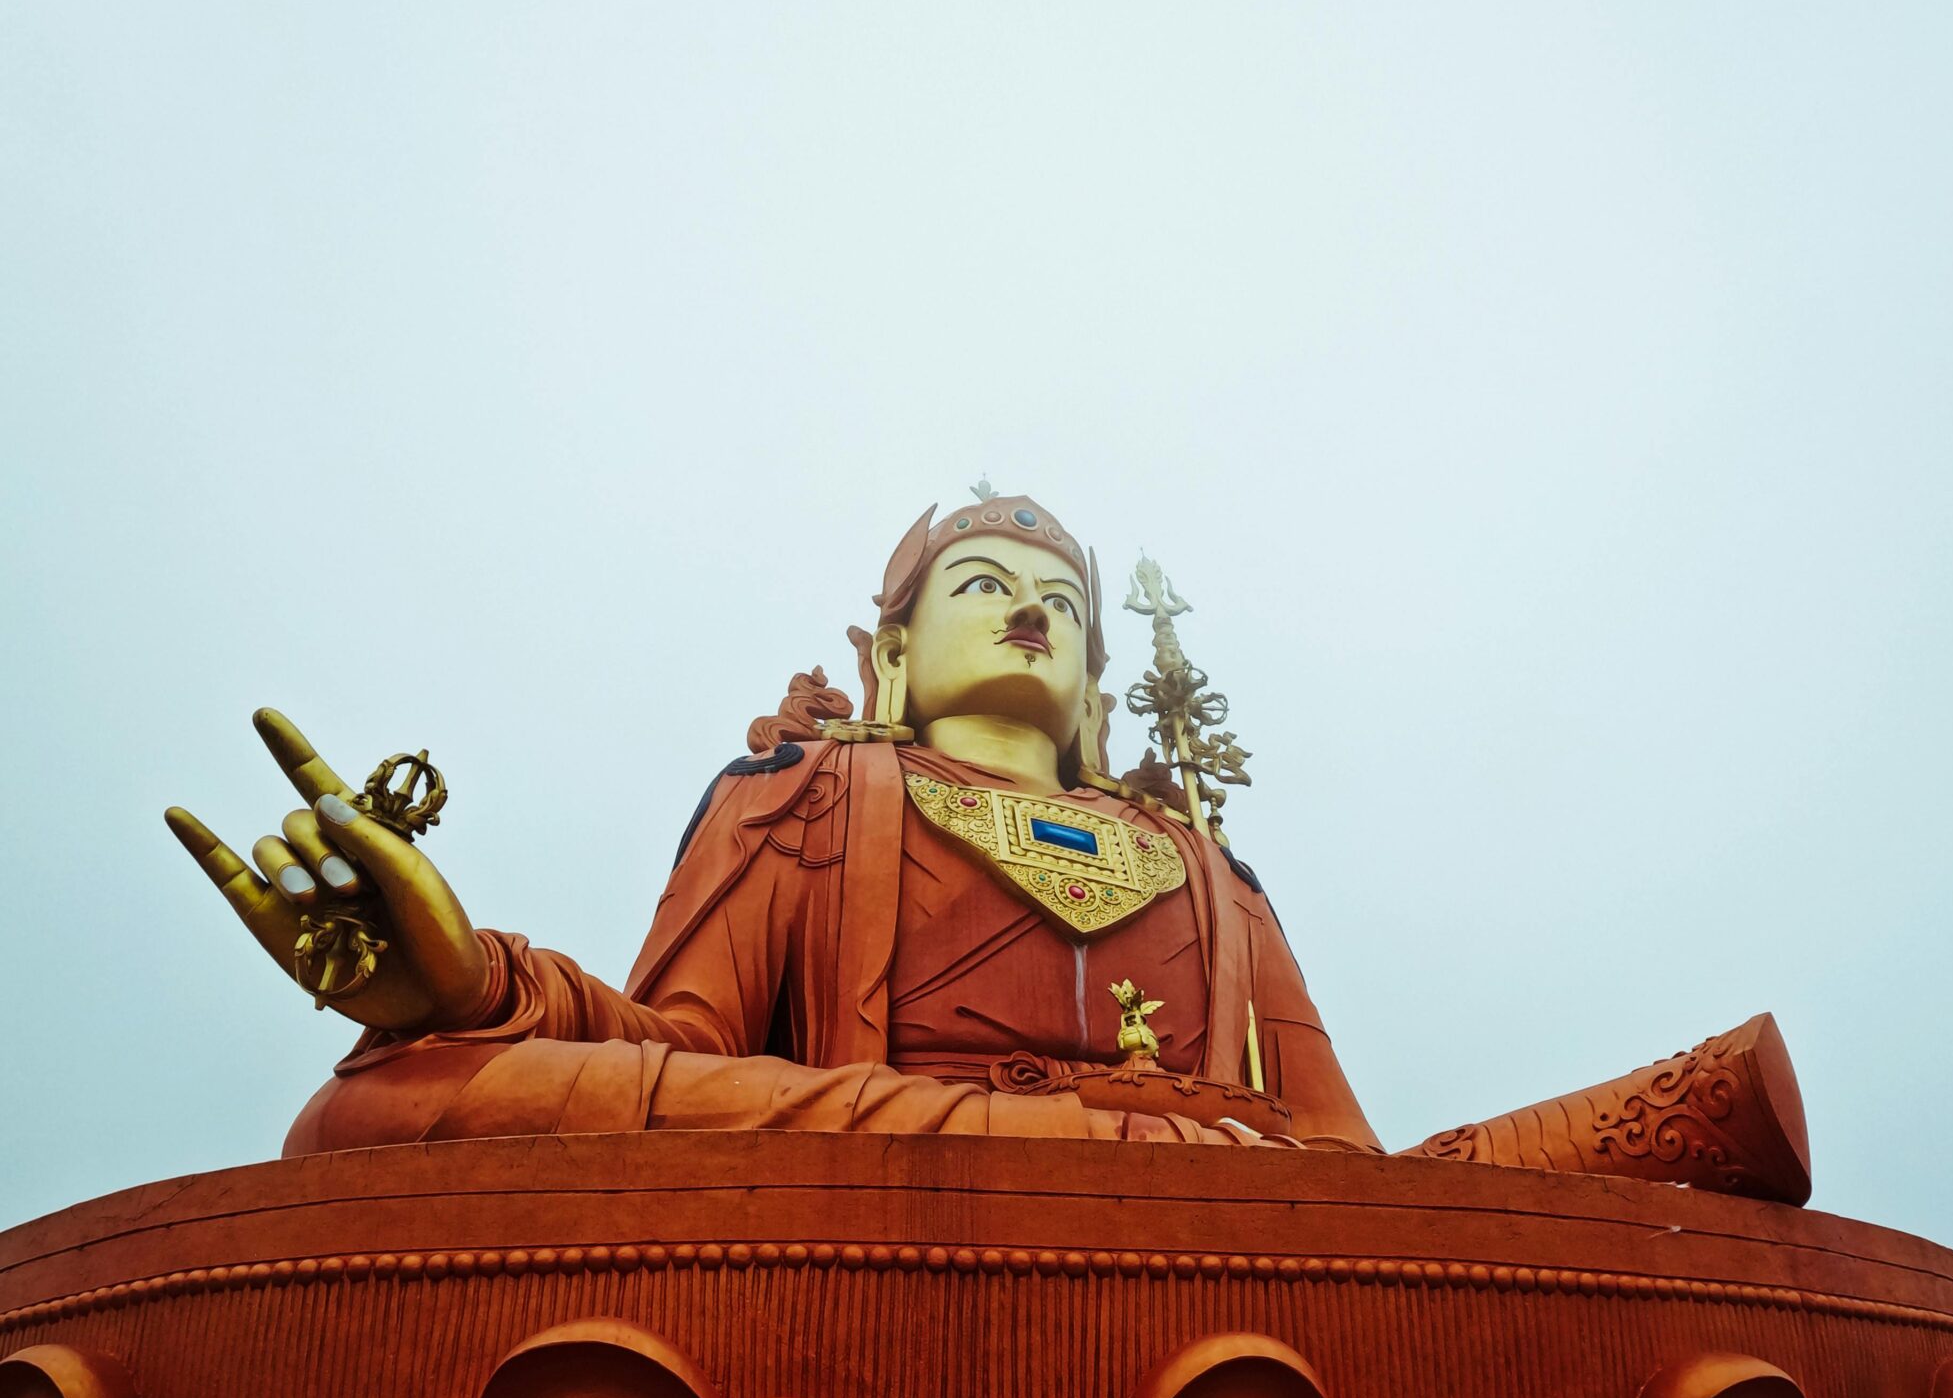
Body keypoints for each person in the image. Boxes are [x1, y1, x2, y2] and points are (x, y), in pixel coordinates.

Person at [167, 492, 1379, 1156]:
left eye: (1060, 603)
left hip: (1210, 1200)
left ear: (1096, 694)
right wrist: (474, 990)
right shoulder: (803, 793)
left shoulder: (1203, 869)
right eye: (987, 587)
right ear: (893, 652)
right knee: (370, 1112)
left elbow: (1343, 1158)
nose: (1029, 613)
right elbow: (685, 1052)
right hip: (887, 1182)